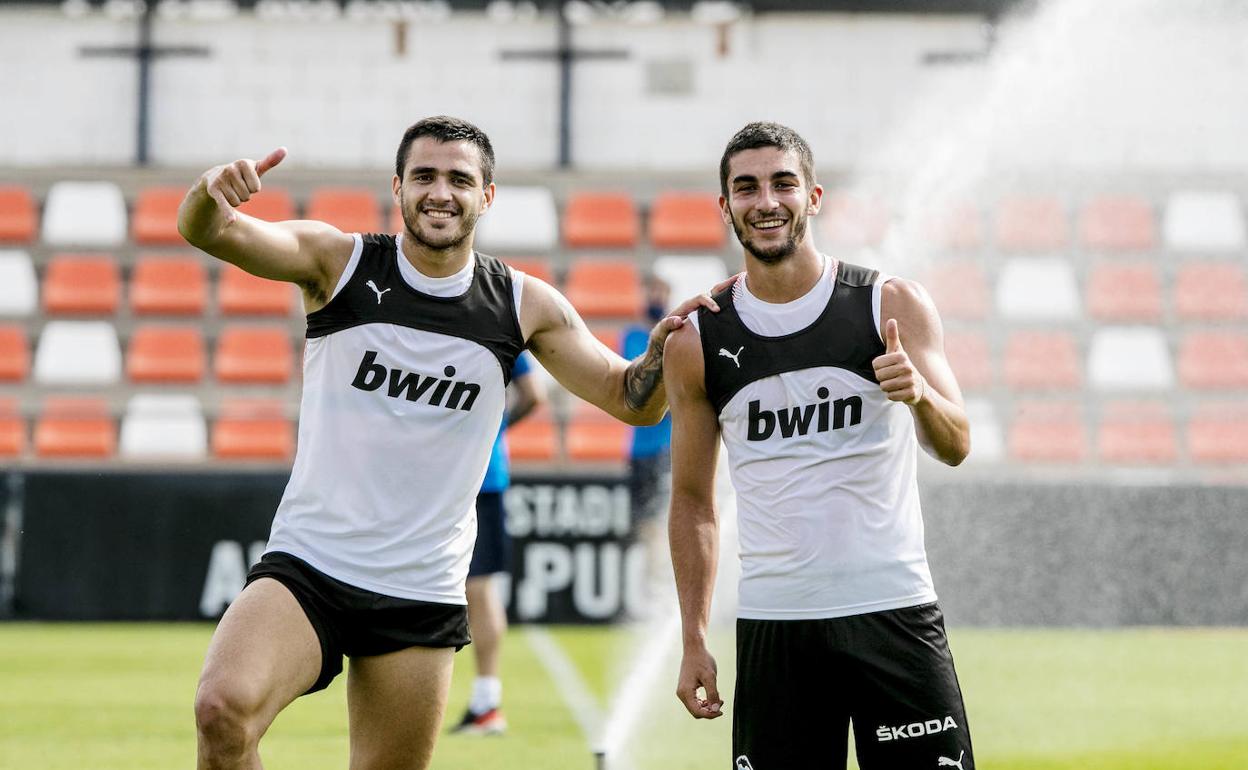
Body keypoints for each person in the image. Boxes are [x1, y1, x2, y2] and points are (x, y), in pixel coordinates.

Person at [180, 115, 722, 770]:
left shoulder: (523, 306)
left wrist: (663, 353)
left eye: (460, 179)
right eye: (425, 176)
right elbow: (209, 231)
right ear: (399, 187)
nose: (441, 192)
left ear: (486, 196)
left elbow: (629, 400)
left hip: (422, 590)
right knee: (221, 709)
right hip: (311, 565)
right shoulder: (338, 262)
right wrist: (210, 194)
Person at [664, 121, 975, 770]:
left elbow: (957, 444)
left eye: (783, 183)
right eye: (746, 188)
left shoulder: (888, 304)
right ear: (725, 207)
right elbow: (693, 501)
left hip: (893, 611)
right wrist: (693, 637)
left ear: (813, 196)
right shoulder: (698, 341)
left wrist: (917, 394)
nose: (766, 201)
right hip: (777, 627)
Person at [450, 351, 543, 736]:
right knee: (475, 587)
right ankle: (485, 700)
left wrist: (495, 428)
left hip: (477, 478)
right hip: (458, 476)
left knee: (478, 587)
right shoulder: (501, 316)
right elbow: (533, 395)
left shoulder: (503, 317)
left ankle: (487, 700)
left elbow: (534, 394)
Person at [621, 274, 673, 600]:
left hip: (666, 450)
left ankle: (658, 589)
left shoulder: (677, 338)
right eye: (651, 290)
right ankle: (650, 591)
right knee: (644, 526)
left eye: (660, 291)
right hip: (641, 451)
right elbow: (636, 384)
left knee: (661, 524)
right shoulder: (634, 337)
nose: (655, 297)